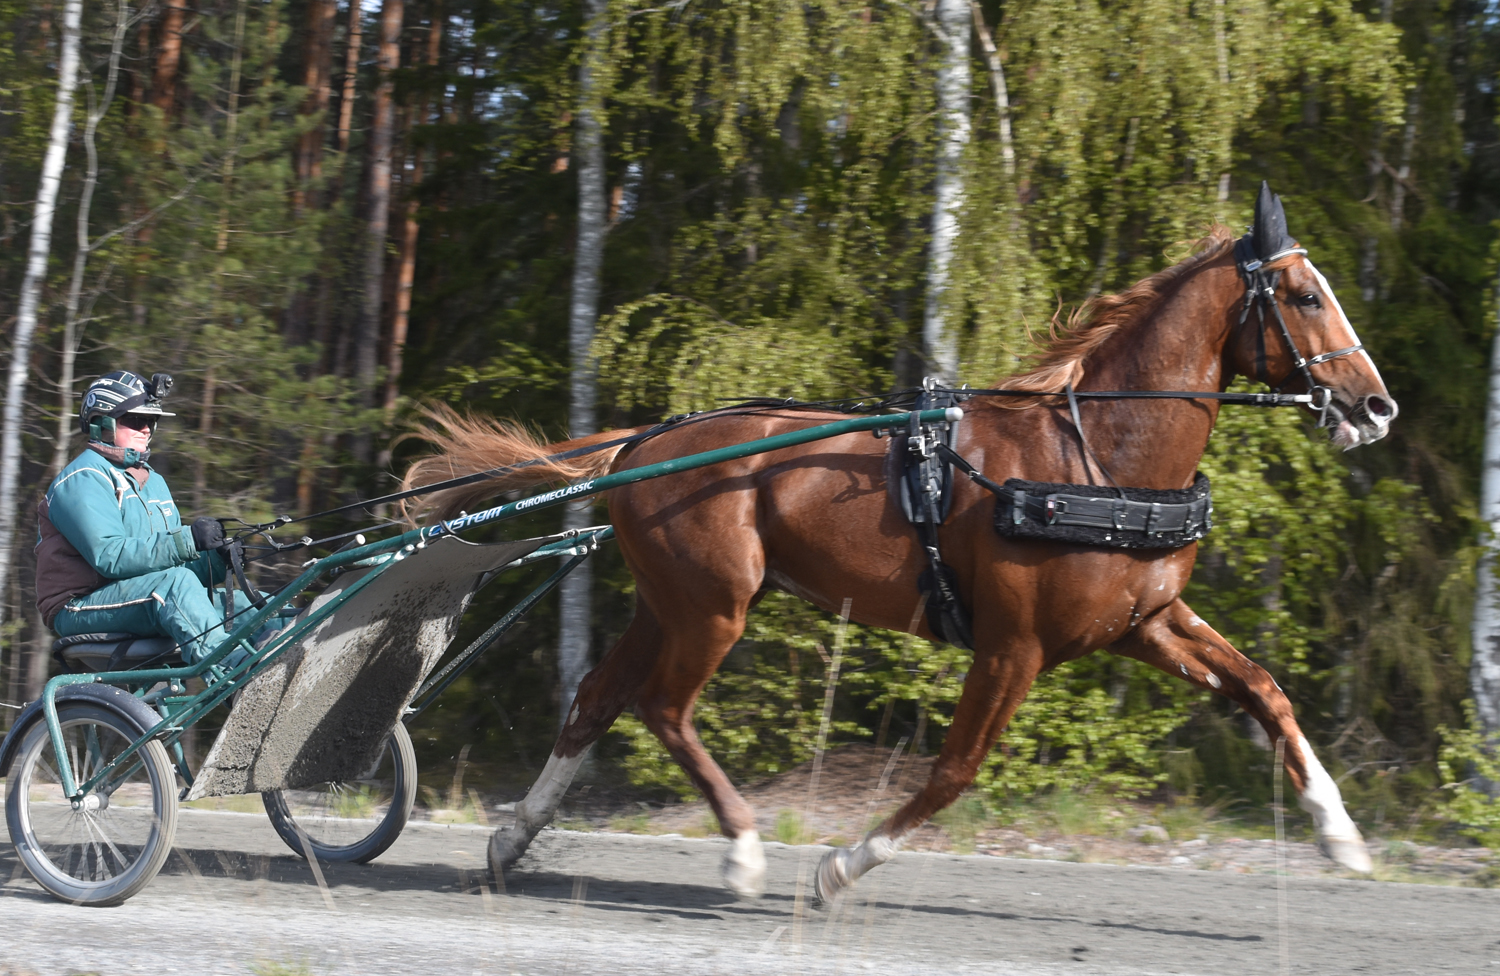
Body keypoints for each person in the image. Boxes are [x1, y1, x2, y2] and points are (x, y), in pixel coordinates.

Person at [35, 369, 254, 665]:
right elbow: (110, 557)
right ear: (102, 424)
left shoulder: (154, 481)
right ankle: (232, 673)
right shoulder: (83, 478)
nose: (147, 429)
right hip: (79, 606)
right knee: (174, 586)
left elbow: (173, 564)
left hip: (141, 594)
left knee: (248, 604)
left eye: (151, 421)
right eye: (136, 420)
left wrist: (218, 558)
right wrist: (188, 540)